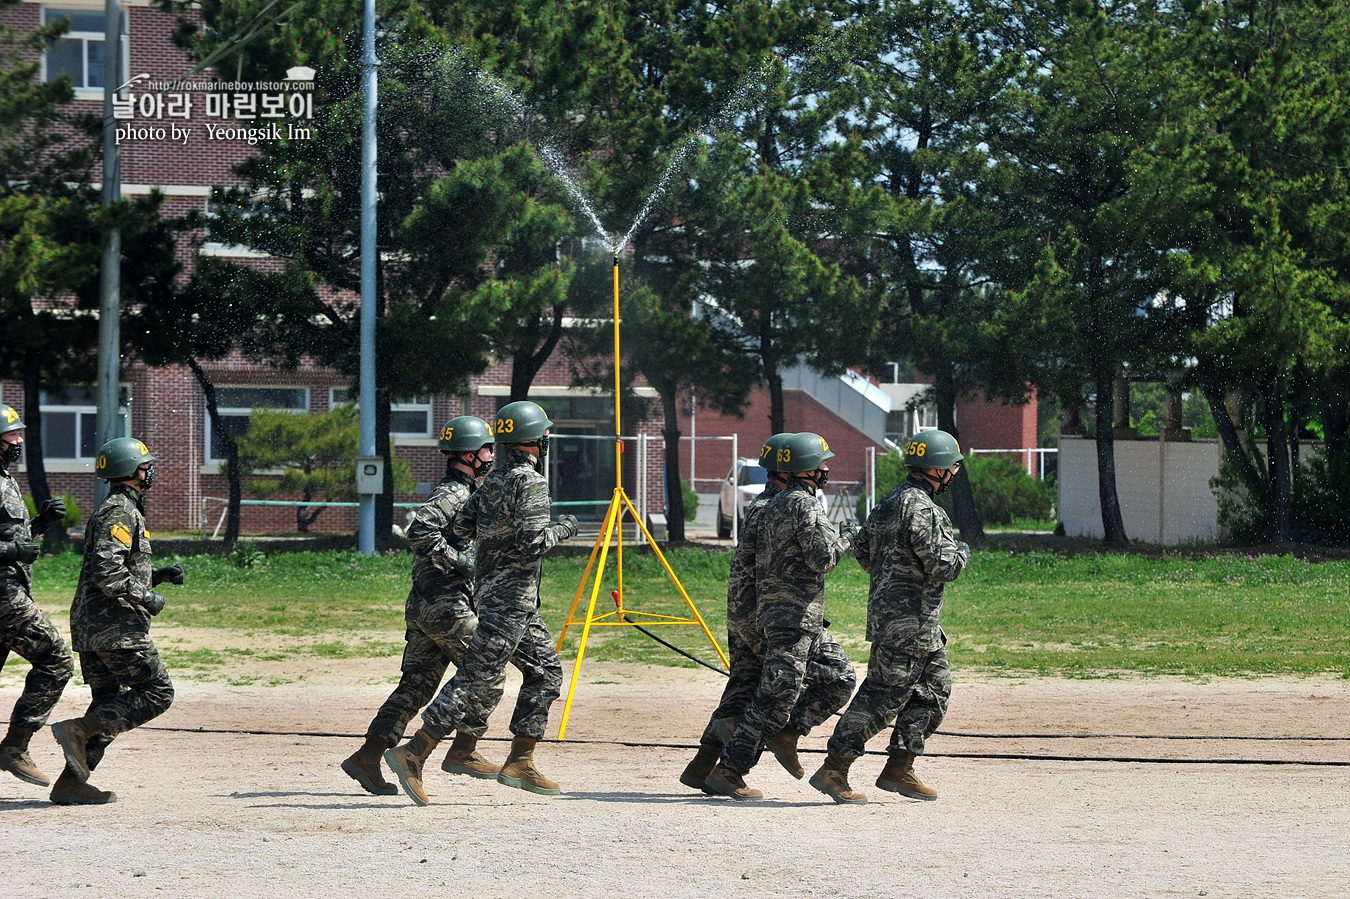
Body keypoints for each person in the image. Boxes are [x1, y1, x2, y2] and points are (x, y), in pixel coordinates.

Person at [385, 401, 579, 805]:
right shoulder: (531, 482)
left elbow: (460, 526)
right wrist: (564, 527)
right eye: (544, 435)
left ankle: (520, 761)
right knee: (475, 675)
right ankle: (415, 751)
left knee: (546, 671)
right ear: (536, 440)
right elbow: (531, 544)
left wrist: (490, 548)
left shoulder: (493, 481)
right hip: (511, 600)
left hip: (500, 597)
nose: (547, 440)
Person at [341, 416, 506, 795]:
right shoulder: (454, 493)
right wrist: (460, 562)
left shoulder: (463, 490)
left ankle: (367, 756)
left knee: (415, 686)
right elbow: (419, 531)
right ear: (469, 454)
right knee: (488, 670)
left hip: (425, 607)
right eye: (487, 448)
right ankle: (463, 750)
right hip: (446, 607)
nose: (492, 454)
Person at [810, 429, 970, 805]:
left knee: (934, 693)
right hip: (908, 625)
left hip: (916, 625)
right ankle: (835, 768)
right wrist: (960, 550)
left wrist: (892, 570)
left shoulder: (889, 501)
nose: (955, 475)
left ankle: (900, 767)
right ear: (939, 469)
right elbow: (943, 564)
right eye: (953, 468)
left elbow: (863, 551)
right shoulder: (923, 509)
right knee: (880, 700)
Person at [705, 432, 858, 800]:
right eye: (821, 464)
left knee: (840, 676)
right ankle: (730, 770)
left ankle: (786, 732)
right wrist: (848, 535)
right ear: (804, 470)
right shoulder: (802, 506)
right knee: (774, 697)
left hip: (795, 618)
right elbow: (824, 557)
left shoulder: (774, 504)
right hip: (790, 619)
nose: (826, 469)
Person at [49, 437, 183, 805]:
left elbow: (114, 566)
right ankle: (76, 729)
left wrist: (155, 575)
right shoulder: (120, 511)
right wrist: (147, 597)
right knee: (157, 693)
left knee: (108, 705)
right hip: (116, 629)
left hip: (96, 627)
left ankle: (70, 783)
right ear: (131, 471)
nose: (150, 470)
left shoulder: (119, 509)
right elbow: (106, 572)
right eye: (145, 465)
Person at [679, 432, 793, 792]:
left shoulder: (761, 504)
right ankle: (738, 759)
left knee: (741, 688)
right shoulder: (779, 509)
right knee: (788, 683)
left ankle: (702, 764)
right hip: (762, 615)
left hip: (743, 613)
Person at [0, 403, 75, 788]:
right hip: (3, 597)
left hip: (10, 592)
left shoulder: (4, 478)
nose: (19, 441)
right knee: (56, 659)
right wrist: (14, 552)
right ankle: (15, 746)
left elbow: (10, 535)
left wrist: (39, 525)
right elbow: (9, 547)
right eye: (12, 435)